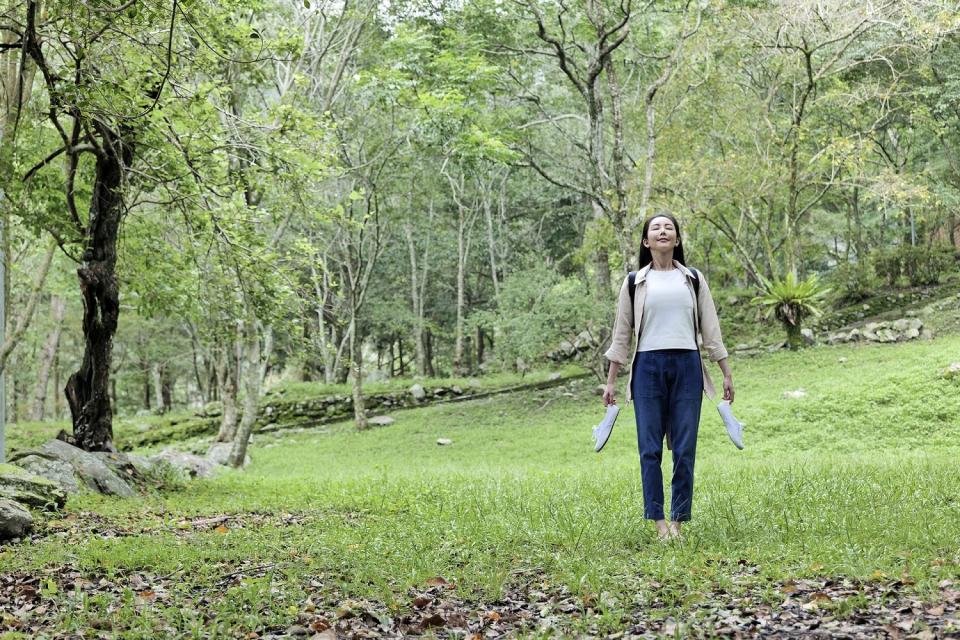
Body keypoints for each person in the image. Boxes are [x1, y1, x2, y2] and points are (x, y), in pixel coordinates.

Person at [602, 213, 734, 540]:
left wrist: (726, 372)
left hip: (687, 365)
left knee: (685, 446)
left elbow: (711, 330)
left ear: (677, 239)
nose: (663, 231)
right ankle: (659, 523)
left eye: (669, 228)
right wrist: (610, 380)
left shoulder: (693, 279)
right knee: (650, 448)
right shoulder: (634, 281)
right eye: (656, 228)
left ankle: (678, 522)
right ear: (647, 242)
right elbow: (621, 334)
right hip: (647, 367)